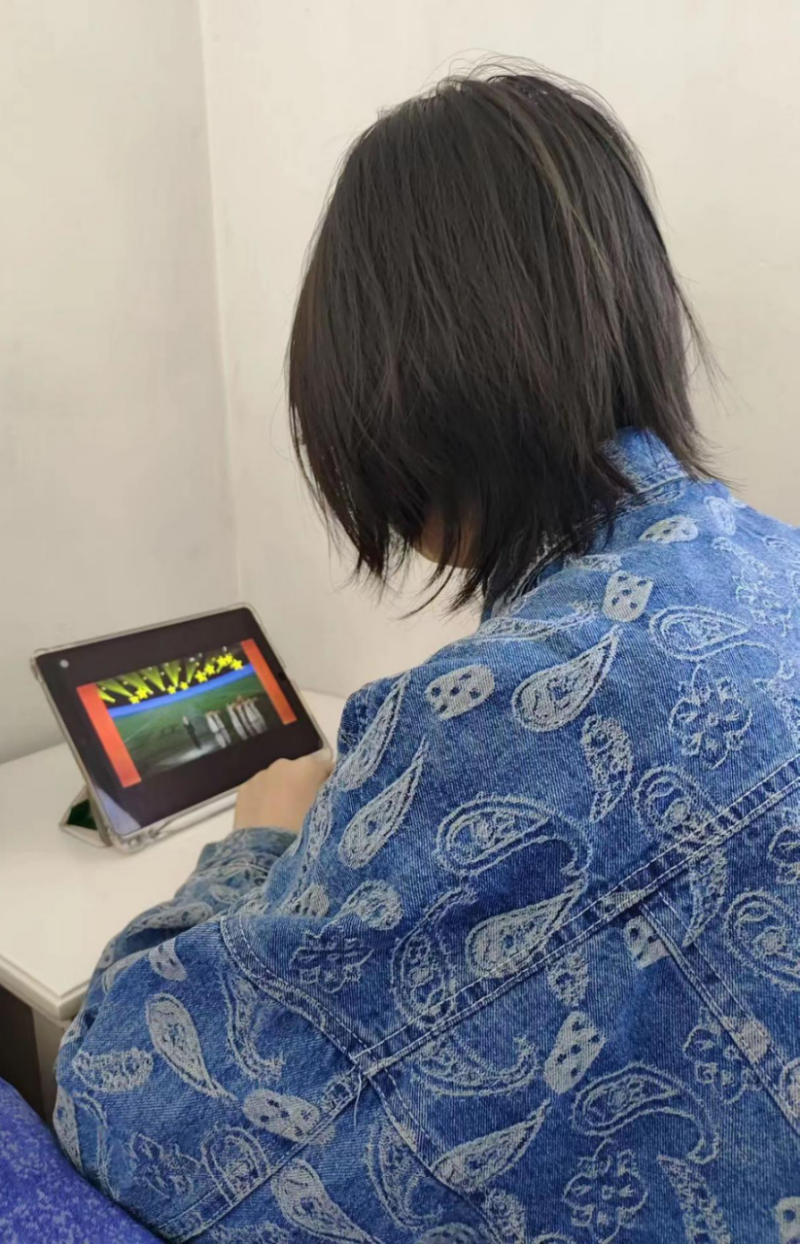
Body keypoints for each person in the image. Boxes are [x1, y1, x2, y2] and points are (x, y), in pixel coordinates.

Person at [55, 68, 799, 1244]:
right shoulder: (772, 565)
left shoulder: (499, 713)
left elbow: (128, 1100)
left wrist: (255, 848)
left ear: (396, 391)